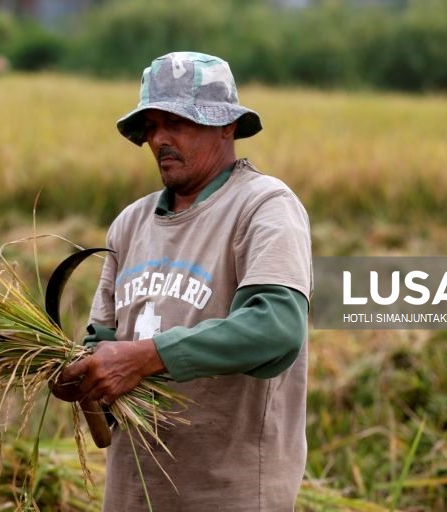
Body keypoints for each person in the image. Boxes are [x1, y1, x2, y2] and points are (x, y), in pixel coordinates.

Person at [54, 51, 312, 511]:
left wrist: (146, 357)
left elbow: (275, 329)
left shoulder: (264, 207)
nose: (160, 140)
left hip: (228, 495)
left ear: (226, 126)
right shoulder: (130, 224)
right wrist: (79, 370)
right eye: (151, 127)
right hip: (134, 494)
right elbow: (103, 339)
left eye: (177, 122)